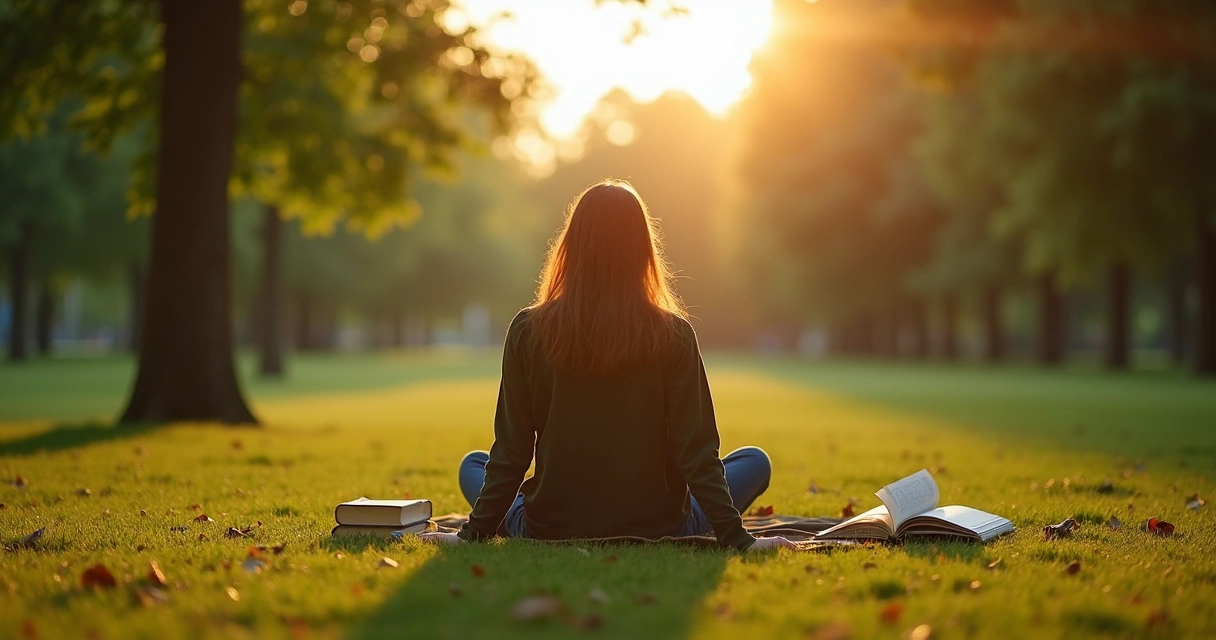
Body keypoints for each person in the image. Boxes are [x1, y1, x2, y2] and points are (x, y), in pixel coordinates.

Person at [419, 180, 794, 552]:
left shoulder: (528, 330)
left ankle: (503, 515)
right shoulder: (674, 334)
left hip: (550, 525)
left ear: (572, 247)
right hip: (658, 524)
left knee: (475, 465)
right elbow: (696, 453)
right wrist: (737, 539)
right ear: (643, 251)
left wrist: (473, 534)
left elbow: (512, 451)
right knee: (753, 461)